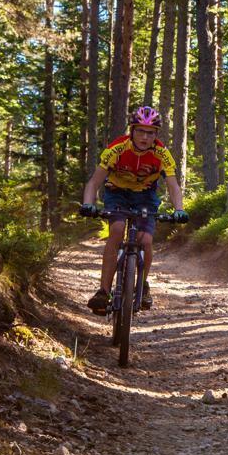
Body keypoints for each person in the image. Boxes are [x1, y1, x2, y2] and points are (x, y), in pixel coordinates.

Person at [79, 106, 188, 314]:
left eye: (150, 133)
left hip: (145, 196)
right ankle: (103, 291)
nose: (145, 137)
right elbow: (94, 181)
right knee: (117, 228)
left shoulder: (162, 154)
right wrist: (88, 204)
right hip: (116, 192)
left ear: (156, 135)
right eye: (140, 131)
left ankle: (143, 285)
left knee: (145, 240)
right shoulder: (117, 148)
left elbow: (173, 185)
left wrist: (179, 209)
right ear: (132, 130)